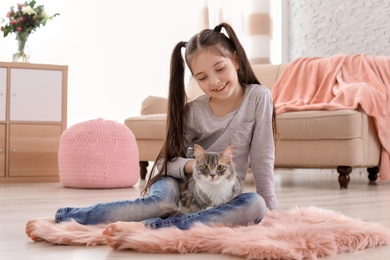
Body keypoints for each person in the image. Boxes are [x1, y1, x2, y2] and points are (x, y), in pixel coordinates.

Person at [25, 22, 278, 249]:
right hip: (175, 183)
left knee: (255, 204)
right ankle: (63, 217)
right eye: (202, 77)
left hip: (218, 194)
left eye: (220, 68)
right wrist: (192, 165)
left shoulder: (258, 97)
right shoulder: (194, 111)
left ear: (235, 60)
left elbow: (262, 158)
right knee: (159, 204)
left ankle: (151, 226)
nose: (215, 81)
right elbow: (164, 163)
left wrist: (272, 213)